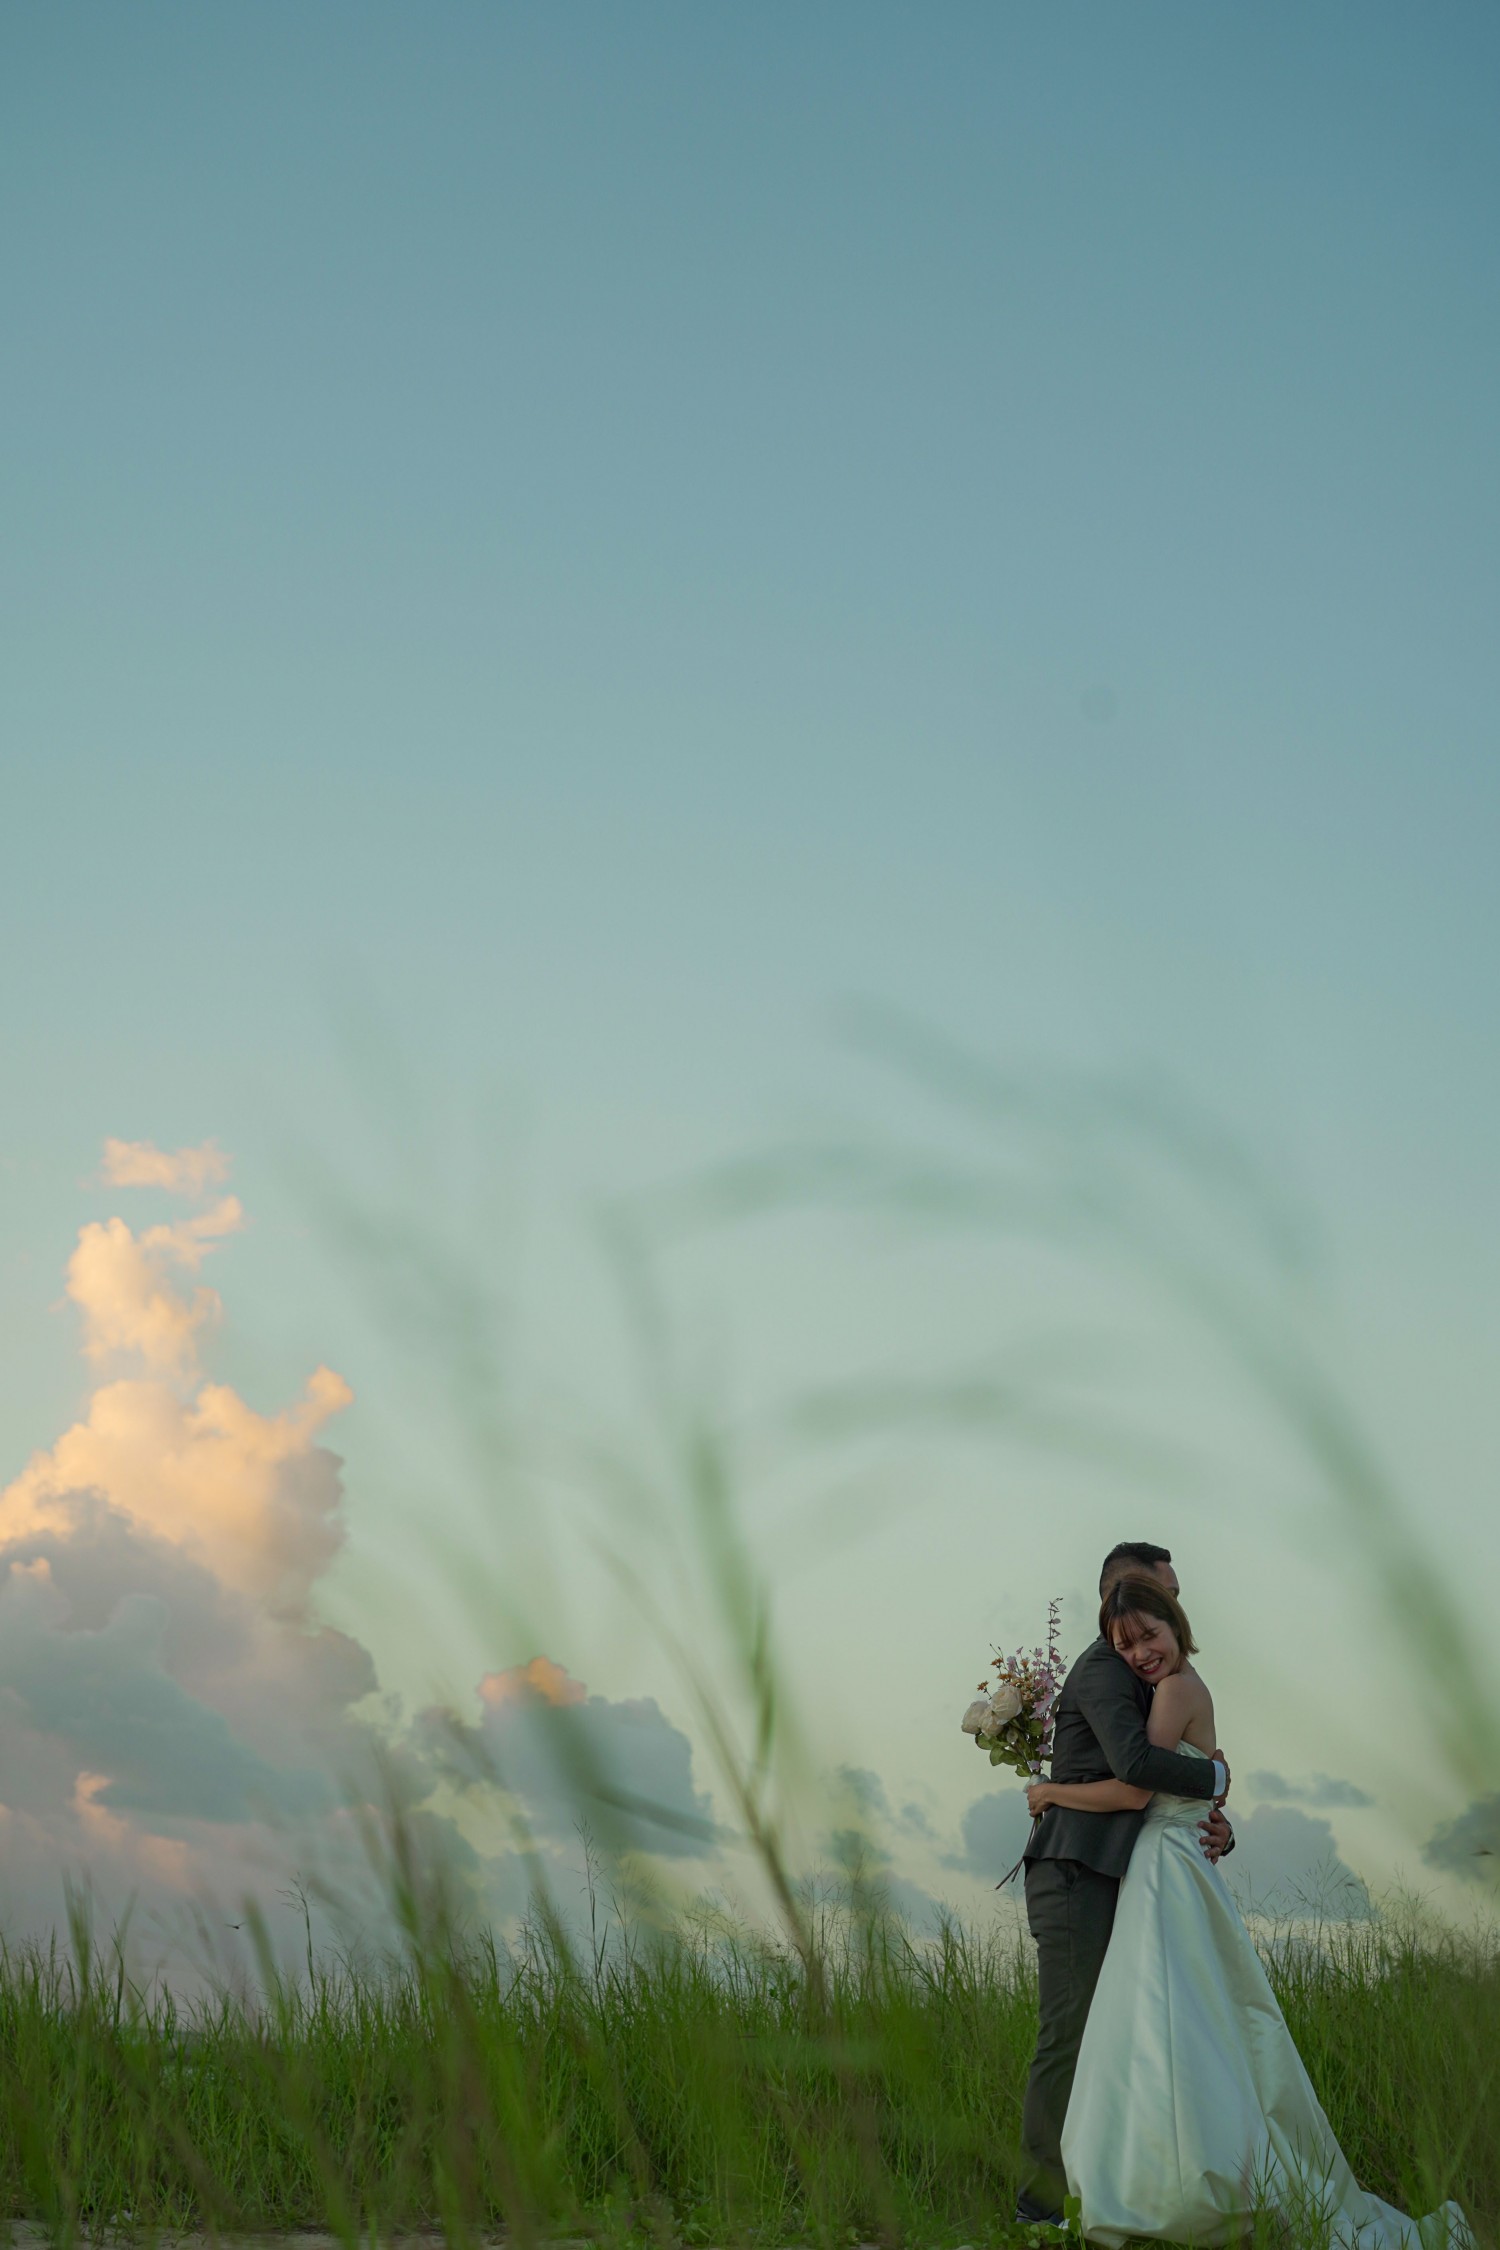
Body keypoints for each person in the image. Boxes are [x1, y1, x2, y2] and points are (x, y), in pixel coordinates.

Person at [1027, 1575, 1472, 2249]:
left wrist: (1050, 1792)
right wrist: (1214, 1786)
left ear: (1176, 1625)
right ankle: (1182, 2174)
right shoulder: (1182, 1687)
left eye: (1150, 1635)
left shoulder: (1173, 1692)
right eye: (1126, 1646)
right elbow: (1182, 1783)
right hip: (1174, 1864)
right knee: (1189, 2024)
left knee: (1161, 2025)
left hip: (1164, 1871)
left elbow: (1135, 1789)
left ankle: (1175, 2185)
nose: (1141, 1653)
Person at [1015, 1541, 1231, 2225]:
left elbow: (1162, 1781)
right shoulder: (1105, 1669)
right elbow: (1138, 1770)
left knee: (1124, 2033)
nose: (1169, 1605)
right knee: (1070, 2032)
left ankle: (1117, 2182)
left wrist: (1215, 1815)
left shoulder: (1157, 1679)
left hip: (1124, 1873)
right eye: (1158, 1592)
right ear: (1120, 1594)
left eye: (1172, 1599)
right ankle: (1039, 2207)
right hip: (1076, 1871)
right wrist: (1217, 1776)